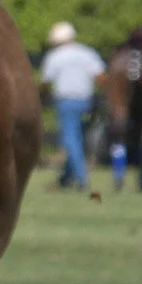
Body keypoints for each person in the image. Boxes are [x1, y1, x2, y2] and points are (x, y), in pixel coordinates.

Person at [40, 22, 105, 191]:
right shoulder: (87, 53)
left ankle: (81, 177)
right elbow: (100, 77)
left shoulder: (54, 56)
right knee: (76, 139)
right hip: (86, 101)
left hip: (65, 101)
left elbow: (46, 82)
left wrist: (44, 98)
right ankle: (66, 178)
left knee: (70, 140)